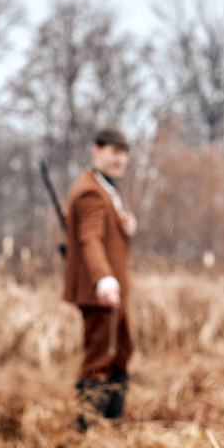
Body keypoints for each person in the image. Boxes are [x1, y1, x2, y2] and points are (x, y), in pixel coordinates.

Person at [62, 127, 138, 427]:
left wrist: (123, 224)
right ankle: (87, 428)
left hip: (110, 290)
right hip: (99, 291)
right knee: (98, 358)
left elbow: (101, 230)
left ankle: (112, 422)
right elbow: (89, 238)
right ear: (97, 152)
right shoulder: (90, 190)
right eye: (113, 152)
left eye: (124, 153)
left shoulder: (104, 186)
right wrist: (104, 278)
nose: (120, 159)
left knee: (121, 350)